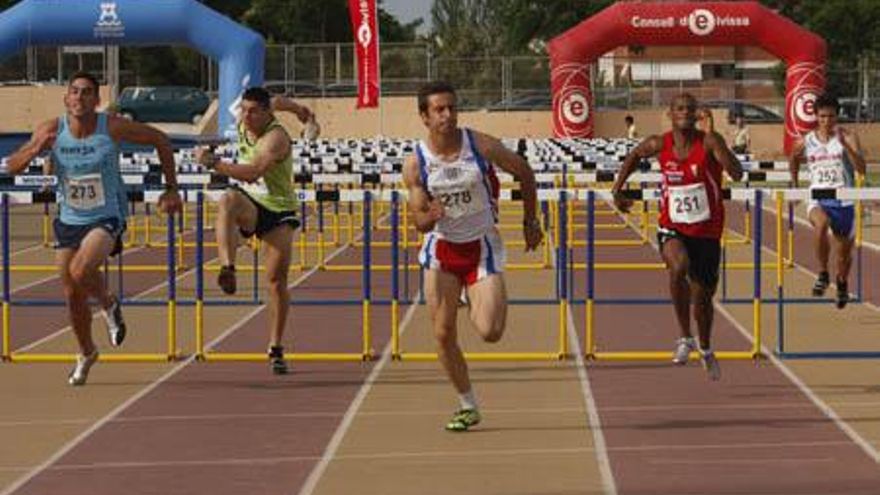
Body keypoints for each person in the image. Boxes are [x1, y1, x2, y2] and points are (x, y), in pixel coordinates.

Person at [5, 71, 183, 386]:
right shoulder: (51, 129)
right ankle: (86, 352)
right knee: (71, 293)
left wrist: (171, 188)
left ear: (96, 100)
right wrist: (35, 151)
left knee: (81, 268)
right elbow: (13, 165)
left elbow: (160, 139)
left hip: (107, 215)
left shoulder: (111, 127)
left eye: (87, 92)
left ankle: (109, 304)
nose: (79, 97)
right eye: (74, 92)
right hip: (69, 219)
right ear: (66, 98)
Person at [403, 81, 542, 431]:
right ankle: (467, 404)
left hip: (481, 248)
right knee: (442, 334)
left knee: (490, 331)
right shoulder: (416, 164)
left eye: (451, 107)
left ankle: (472, 291)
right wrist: (429, 216)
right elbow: (417, 220)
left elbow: (524, 172)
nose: (447, 115)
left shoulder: (479, 145)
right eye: (439, 110)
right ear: (424, 116)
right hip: (442, 251)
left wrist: (530, 220)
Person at [611, 93, 743, 381]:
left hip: (707, 232)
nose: (685, 113)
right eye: (679, 109)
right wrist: (617, 189)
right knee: (678, 266)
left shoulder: (708, 141)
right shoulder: (660, 143)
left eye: (690, 109)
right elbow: (634, 155)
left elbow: (737, 173)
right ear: (670, 114)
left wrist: (718, 141)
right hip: (672, 226)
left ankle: (705, 348)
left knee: (703, 300)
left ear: (696, 115)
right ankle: (685, 338)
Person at [195, 87, 299, 374]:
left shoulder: (275, 138)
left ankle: (276, 347)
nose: (247, 116)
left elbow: (253, 172)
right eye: (244, 110)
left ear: (267, 114)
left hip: (279, 210)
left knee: (276, 281)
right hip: (251, 202)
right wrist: (303, 112)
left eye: (254, 111)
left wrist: (214, 163)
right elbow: (279, 99)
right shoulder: (248, 116)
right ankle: (228, 267)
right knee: (227, 198)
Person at [789, 94, 865, 309]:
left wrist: (846, 148)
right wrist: (795, 184)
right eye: (822, 116)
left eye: (831, 116)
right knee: (820, 225)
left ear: (837, 116)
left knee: (844, 257)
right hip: (819, 198)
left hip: (844, 201)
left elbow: (862, 169)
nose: (827, 121)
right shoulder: (806, 140)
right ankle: (822, 273)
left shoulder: (848, 137)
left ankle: (841, 283)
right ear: (816, 116)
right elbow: (793, 157)